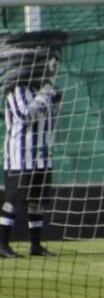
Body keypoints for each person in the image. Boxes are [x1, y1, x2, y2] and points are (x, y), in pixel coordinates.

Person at [0, 50, 61, 259]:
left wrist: (53, 101)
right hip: (20, 157)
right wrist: (45, 93)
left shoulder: (45, 90)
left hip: (42, 155)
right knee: (13, 199)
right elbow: (24, 115)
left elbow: (52, 116)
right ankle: (2, 244)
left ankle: (36, 245)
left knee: (39, 201)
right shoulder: (15, 89)